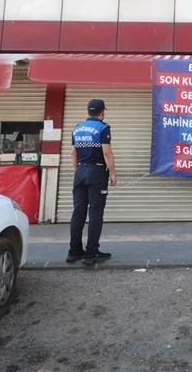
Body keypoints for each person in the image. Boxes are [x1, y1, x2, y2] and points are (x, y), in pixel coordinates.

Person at [67, 99, 117, 265]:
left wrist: (78, 171)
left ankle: (74, 251)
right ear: (102, 112)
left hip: (80, 171)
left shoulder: (77, 128)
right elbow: (107, 152)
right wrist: (113, 173)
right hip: (96, 172)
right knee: (95, 212)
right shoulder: (103, 128)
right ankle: (92, 251)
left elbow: (73, 153)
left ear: (88, 112)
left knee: (78, 212)